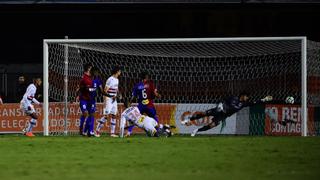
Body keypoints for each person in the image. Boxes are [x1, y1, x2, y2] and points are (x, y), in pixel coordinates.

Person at [181, 92, 273, 137]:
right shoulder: (233, 98)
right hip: (219, 110)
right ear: (243, 95)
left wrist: (263, 99)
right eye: (246, 96)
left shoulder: (244, 104)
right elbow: (223, 100)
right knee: (204, 114)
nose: (247, 98)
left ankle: (196, 130)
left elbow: (254, 103)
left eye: (248, 97)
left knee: (212, 125)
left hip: (223, 115)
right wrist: (221, 105)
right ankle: (188, 120)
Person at [127, 71, 161, 137]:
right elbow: (155, 94)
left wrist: (129, 103)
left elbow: (133, 97)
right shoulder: (150, 84)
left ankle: (128, 132)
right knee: (154, 117)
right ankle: (157, 130)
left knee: (134, 117)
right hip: (149, 105)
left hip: (141, 106)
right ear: (147, 77)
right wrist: (158, 95)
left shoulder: (137, 86)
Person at [83, 67, 112, 137]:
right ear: (93, 72)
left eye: (98, 72)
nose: (97, 74)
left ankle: (86, 131)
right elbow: (83, 88)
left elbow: (102, 91)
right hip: (86, 99)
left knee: (91, 115)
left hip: (92, 100)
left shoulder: (98, 80)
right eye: (96, 72)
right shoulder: (87, 80)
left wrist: (109, 95)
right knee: (90, 115)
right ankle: (90, 131)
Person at [95, 66, 121, 137]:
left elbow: (116, 88)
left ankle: (112, 133)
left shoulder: (117, 80)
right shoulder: (110, 79)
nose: (120, 72)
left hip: (114, 100)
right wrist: (105, 101)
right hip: (109, 99)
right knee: (106, 116)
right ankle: (97, 131)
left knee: (114, 115)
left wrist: (119, 94)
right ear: (117, 71)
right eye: (119, 71)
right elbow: (105, 90)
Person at [78, 63, 93, 136]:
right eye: (91, 67)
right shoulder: (83, 77)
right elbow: (79, 87)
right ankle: (82, 129)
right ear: (88, 68)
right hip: (83, 98)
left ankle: (85, 131)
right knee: (85, 113)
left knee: (89, 115)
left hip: (90, 99)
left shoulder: (91, 77)